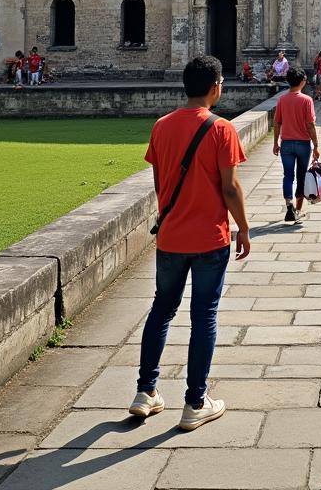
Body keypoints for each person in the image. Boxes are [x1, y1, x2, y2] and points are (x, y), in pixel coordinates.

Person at [130, 55, 250, 431]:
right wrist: (243, 227)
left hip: (171, 237)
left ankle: (145, 392)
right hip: (209, 238)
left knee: (161, 310)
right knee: (204, 316)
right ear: (216, 86)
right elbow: (230, 187)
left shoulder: (162, 126)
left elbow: (160, 182)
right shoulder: (221, 129)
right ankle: (195, 402)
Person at [273, 68, 320, 223]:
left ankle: (289, 206)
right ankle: (298, 211)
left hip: (286, 143)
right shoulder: (306, 100)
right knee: (300, 177)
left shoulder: (282, 100)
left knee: (288, 175)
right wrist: (316, 145)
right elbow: (310, 125)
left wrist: (275, 143)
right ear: (302, 82)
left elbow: (277, 123)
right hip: (303, 144)